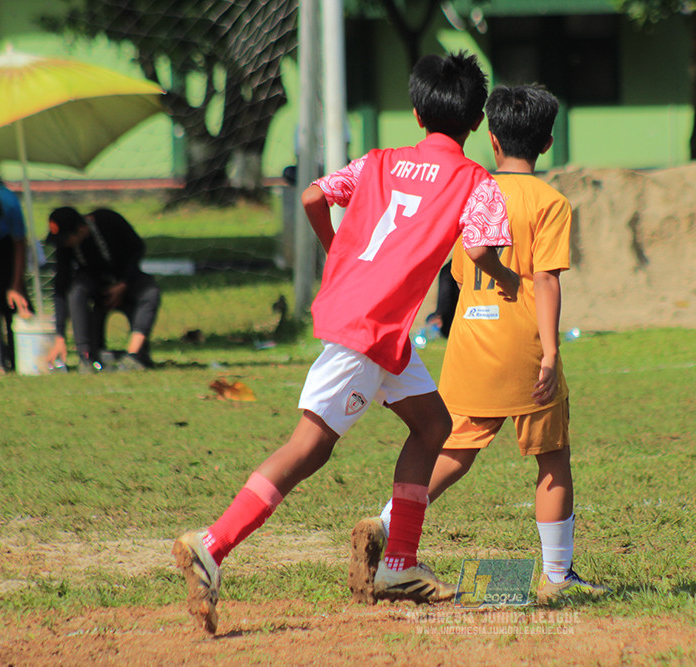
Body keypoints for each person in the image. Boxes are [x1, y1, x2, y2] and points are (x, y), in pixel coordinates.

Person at [172, 51, 520, 634]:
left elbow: (314, 196)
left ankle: (399, 564)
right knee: (309, 447)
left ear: (416, 114)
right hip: (370, 327)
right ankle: (213, 544)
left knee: (434, 425)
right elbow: (482, 249)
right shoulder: (476, 181)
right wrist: (510, 279)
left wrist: (337, 251)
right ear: (476, 120)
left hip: (378, 325)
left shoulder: (379, 161)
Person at [353, 84, 608, 605]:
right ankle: (557, 577)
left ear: (492, 139)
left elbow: (454, 270)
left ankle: (385, 524)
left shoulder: (469, 192)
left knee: (452, 450)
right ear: (548, 142)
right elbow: (546, 279)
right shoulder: (551, 202)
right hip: (525, 343)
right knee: (552, 457)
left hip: (470, 341)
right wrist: (551, 352)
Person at [44, 207, 161, 372]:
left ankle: (134, 355)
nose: (63, 244)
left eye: (66, 238)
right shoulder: (66, 247)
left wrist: (124, 283)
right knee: (76, 291)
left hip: (127, 279)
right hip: (97, 286)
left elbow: (136, 247)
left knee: (150, 292)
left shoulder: (108, 220)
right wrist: (60, 336)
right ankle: (85, 356)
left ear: (81, 229)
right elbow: (61, 287)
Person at [0, 181, 33, 372]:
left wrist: (16, 285)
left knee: (15, 301)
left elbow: (19, 244)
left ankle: (21, 358)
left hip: (6, 245)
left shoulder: (9, 204)